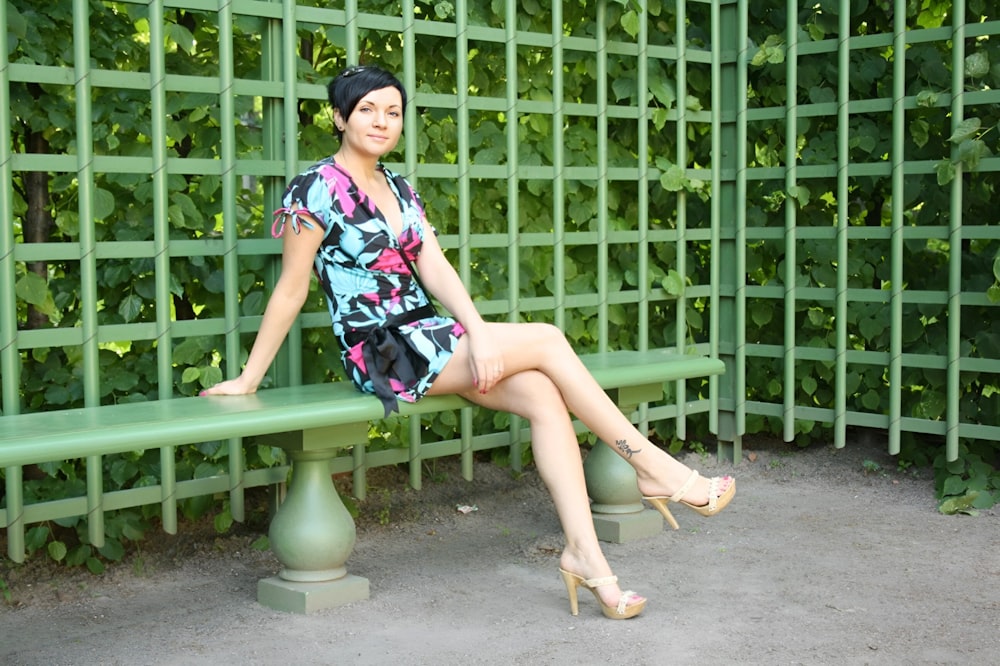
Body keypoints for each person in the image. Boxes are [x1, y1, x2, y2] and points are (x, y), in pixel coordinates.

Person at [202, 64, 735, 620]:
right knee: (549, 340)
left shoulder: (399, 187)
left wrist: (477, 333)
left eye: (393, 111)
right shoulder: (314, 188)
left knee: (542, 397)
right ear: (339, 117)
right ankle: (657, 469)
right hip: (381, 350)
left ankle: (587, 558)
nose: (382, 121)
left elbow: (435, 269)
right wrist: (249, 378)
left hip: (431, 334)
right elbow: (291, 290)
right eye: (366, 109)